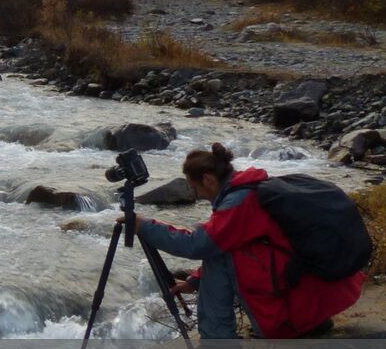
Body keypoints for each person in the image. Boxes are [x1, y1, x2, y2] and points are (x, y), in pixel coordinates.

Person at [134, 143, 365, 339]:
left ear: (208, 179)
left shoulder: (240, 202)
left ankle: (219, 348)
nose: (197, 196)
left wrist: (144, 226)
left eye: (195, 188)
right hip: (313, 295)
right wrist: (195, 281)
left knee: (217, 253)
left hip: (296, 307)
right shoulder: (250, 188)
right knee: (221, 249)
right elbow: (227, 241)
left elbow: (196, 244)